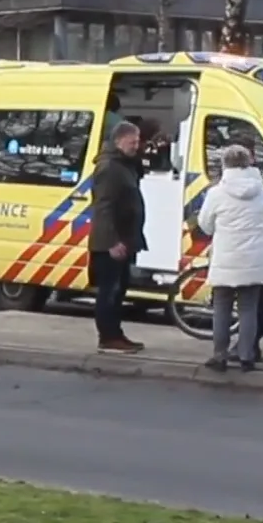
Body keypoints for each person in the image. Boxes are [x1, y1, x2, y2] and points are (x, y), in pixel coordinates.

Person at [196, 144, 263, 373]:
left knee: (222, 308)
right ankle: (246, 356)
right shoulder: (260, 191)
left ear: (224, 164)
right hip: (254, 260)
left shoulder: (217, 193)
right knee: (248, 309)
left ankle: (219, 356)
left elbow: (205, 224)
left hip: (226, 259)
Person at [89, 121, 147, 353]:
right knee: (110, 291)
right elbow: (103, 207)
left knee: (118, 289)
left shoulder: (123, 164)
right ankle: (108, 337)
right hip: (111, 243)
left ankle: (115, 333)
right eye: (133, 142)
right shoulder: (109, 167)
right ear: (119, 140)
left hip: (124, 238)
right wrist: (112, 241)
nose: (136, 146)